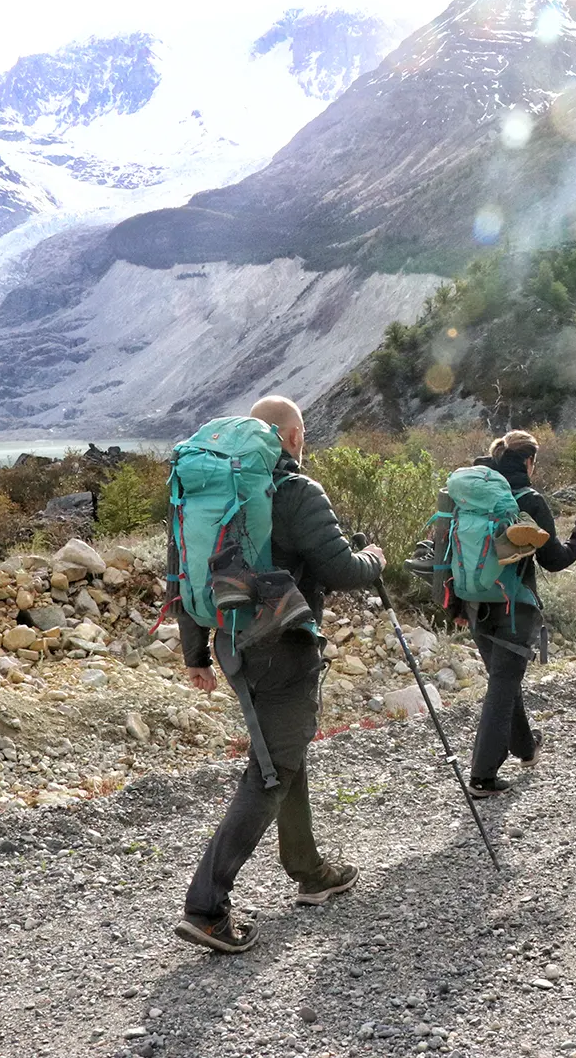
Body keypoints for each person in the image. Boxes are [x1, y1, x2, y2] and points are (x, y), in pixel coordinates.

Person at [173, 395, 385, 954]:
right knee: (271, 770)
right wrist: (378, 561)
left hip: (230, 639)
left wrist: (196, 652)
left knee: (284, 753)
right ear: (291, 437)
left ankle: (309, 869)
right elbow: (341, 570)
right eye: (303, 435)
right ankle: (206, 908)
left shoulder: (210, 488)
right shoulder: (294, 490)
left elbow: (187, 570)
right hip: (281, 647)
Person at [460, 430, 576, 797]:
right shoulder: (529, 499)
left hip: (474, 603)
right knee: (503, 682)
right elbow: (554, 560)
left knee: (504, 678)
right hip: (515, 606)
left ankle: (526, 748)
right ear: (529, 461)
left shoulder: (472, 495)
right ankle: (482, 775)